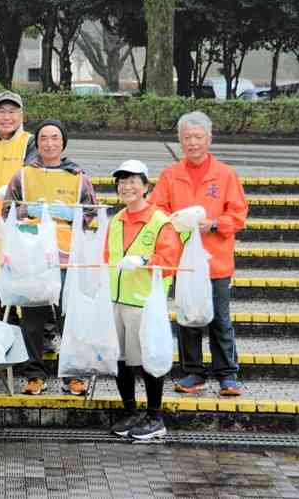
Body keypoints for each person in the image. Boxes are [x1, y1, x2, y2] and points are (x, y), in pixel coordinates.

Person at [150, 111, 248, 396]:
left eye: (198, 137)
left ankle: (227, 374)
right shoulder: (171, 175)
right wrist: (175, 224)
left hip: (216, 261)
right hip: (182, 262)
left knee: (220, 318)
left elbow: (238, 215)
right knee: (188, 317)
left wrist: (214, 224)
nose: (192, 143)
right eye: (187, 138)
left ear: (209, 139)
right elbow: (157, 211)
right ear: (180, 141)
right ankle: (193, 372)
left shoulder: (226, 175)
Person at [2, 119, 97, 396]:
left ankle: (72, 375)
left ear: (63, 143)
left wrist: (72, 214)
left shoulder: (78, 176)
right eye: (44, 138)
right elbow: (5, 210)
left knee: (68, 316)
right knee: (32, 318)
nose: (49, 143)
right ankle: (35, 374)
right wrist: (28, 212)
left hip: (67, 256)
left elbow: (92, 214)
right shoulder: (23, 176)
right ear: (37, 143)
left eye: (55, 138)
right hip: (32, 257)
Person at [104, 160, 183, 440]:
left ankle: (155, 417)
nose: (127, 187)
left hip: (143, 303)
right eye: (122, 182)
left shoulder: (160, 222)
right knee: (121, 360)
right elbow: (107, 259)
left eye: (133, 181)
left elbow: (171, 260)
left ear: (146, 186)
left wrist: (145, 260)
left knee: (147, 360)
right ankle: (131, 411)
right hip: (116, 300)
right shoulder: (115, 221)